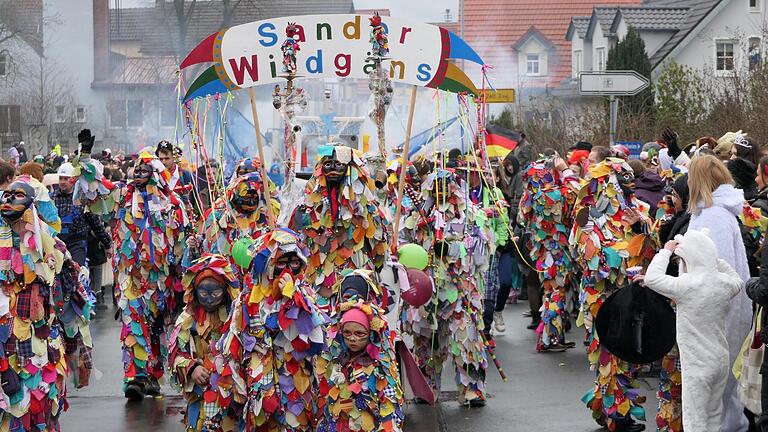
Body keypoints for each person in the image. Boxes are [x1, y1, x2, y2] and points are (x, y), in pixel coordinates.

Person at [207, 229, 327, 431]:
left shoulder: (305, 296)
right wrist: (233, 383)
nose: (288, 269)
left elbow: (316, 341)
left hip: (295, 389)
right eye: (281, 262)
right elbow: (232, 345)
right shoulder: (246, 301)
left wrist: (294, 298)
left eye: (294, 263)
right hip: (260, 390)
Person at [570, 157, 656, 432]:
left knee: (629, 353)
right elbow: (589, 259)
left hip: (632, 297)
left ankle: (612, 411)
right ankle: (615, 416)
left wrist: (641, 231)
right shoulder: (588, 216)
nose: (631, 184)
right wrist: (626, 255)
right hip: (603, 299)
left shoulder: (640, 210)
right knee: (608, 355)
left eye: (632, 178)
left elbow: (653, 252)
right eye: (624, 178)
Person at [400, 169, 488, 406]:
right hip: (426, 290)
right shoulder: (415, 216)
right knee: (427, 339)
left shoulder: (471, 214)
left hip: (460, 290)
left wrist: (450, 250)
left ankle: (472, 388)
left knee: (465, 338)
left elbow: (481, 251)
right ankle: (427, 385)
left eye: (445, 186)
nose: (440, 190)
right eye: (435, 186)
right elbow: (401, 246)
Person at [644, 229, 742, 431]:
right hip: (720, 360)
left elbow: (652, 278)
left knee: (694, 420)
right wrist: (713, 260)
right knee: (714, 416)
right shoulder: (723, 283)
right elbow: (737, 280)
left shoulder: (686, 285)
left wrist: (666, 251)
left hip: (697, 365)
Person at [113, 150, 188, 401]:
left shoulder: (172, 204)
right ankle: (136, 376)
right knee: (133, 323)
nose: (139, 175)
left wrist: (180, 275)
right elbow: (98, 194)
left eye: (145, 171)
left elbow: (180, 241)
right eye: (137, 170)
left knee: (157, 327)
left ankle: (153, 375)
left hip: (160, 279)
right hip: (131, 276)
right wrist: (86, 159)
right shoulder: (124, 197)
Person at [686, 154, 752, 431]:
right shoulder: (718, 214)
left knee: (716, 389)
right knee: (723, 388)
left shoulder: (712, 217)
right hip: (724, 311)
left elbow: (713, 273)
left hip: (715, 315)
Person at [0, 178, 68, 431]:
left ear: (31, 203)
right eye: (5, 195)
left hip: (37, 336)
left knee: (39, 403)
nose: (7, 200)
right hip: (5, 335)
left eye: (16, 195)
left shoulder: (46, 239)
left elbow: (64, 286)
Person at [290, 144, 388, 311]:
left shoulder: (366, 207)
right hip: (319, 278)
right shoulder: (307, 206)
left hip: (355, 275)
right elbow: (297, 242)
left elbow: (378, 244)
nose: (333, 169)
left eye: (339, 164)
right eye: (328, 164)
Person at [168, 254, 239, 430]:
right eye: (203, 293)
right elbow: (174, 355)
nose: (209, 298)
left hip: (231, 397)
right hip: (200, 398)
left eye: (215, 292)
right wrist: (192, 368)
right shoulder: (187, 319)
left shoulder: (236, 317)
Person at [518, 155, 578, 351]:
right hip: (556, 254)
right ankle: (550, 339)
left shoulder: (529, 197)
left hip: (544, 253)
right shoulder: (551, 196)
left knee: (551, 293)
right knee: (556, 293)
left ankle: (552, 336)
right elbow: (578, 192)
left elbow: (522, 218)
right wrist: (565, 169)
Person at [315, 300, 404, 432]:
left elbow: (388, 411)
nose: (352, 338)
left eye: (359, 333)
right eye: (347, 333)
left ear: (370, 333)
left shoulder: (381, 366)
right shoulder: (336, 361)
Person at [51, 162, 112, 266]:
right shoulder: (51, 198)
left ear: (74, 180)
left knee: (77, 273)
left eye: (66, 179)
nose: (62, 182)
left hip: (77, 245)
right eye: (61, 178)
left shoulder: (82, 199)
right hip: (57, 244)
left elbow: (95, 223)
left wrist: (107, 244)